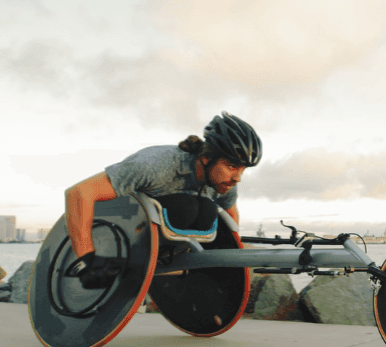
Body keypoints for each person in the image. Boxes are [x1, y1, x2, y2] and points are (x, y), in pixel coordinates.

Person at [64, 111, 262, 289]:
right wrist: (86, 259)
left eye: (242, 169)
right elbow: (78, 193)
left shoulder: (223, 182)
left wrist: (231, 259)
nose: (238, 178)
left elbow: (230, 216)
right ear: (206, 157)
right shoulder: (154, 165)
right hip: (125, 229)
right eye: (231, 166)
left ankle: (167, 263)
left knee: (207, 211)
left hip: (164, 245)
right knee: (188, 208)